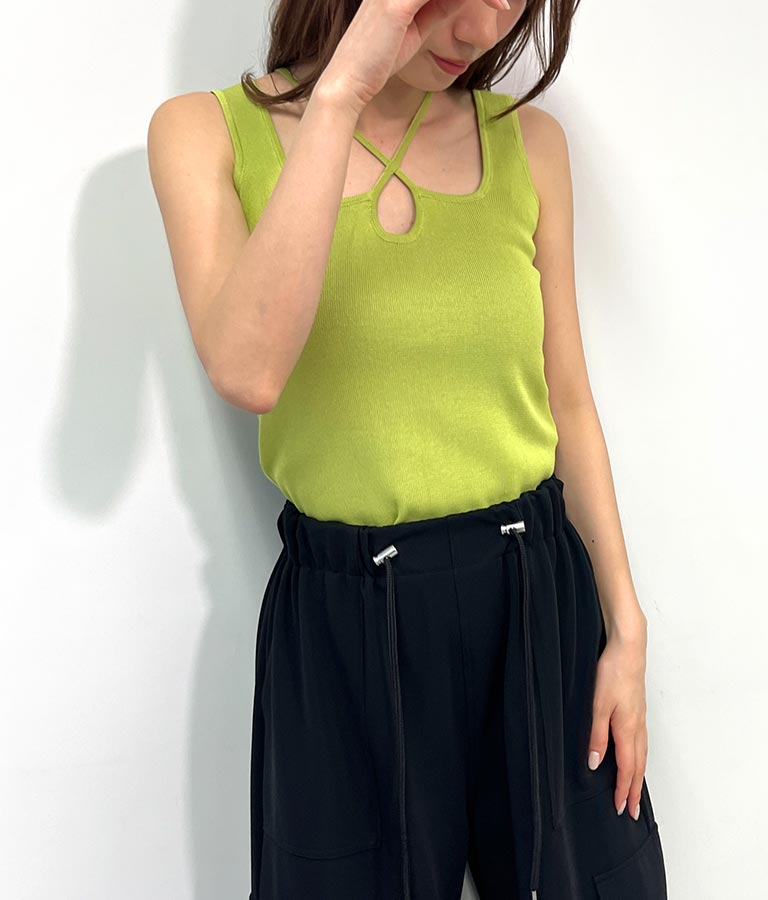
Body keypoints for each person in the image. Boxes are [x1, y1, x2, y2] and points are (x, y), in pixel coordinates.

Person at [147, 0, 669, 896]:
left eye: (513, 3)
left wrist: (626, 628)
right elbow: (249, 369)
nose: (483, 32)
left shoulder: (529, 143)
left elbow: (569, 402)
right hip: (345, 615)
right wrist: (340, 94)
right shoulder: (203, 133)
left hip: (536, 596)